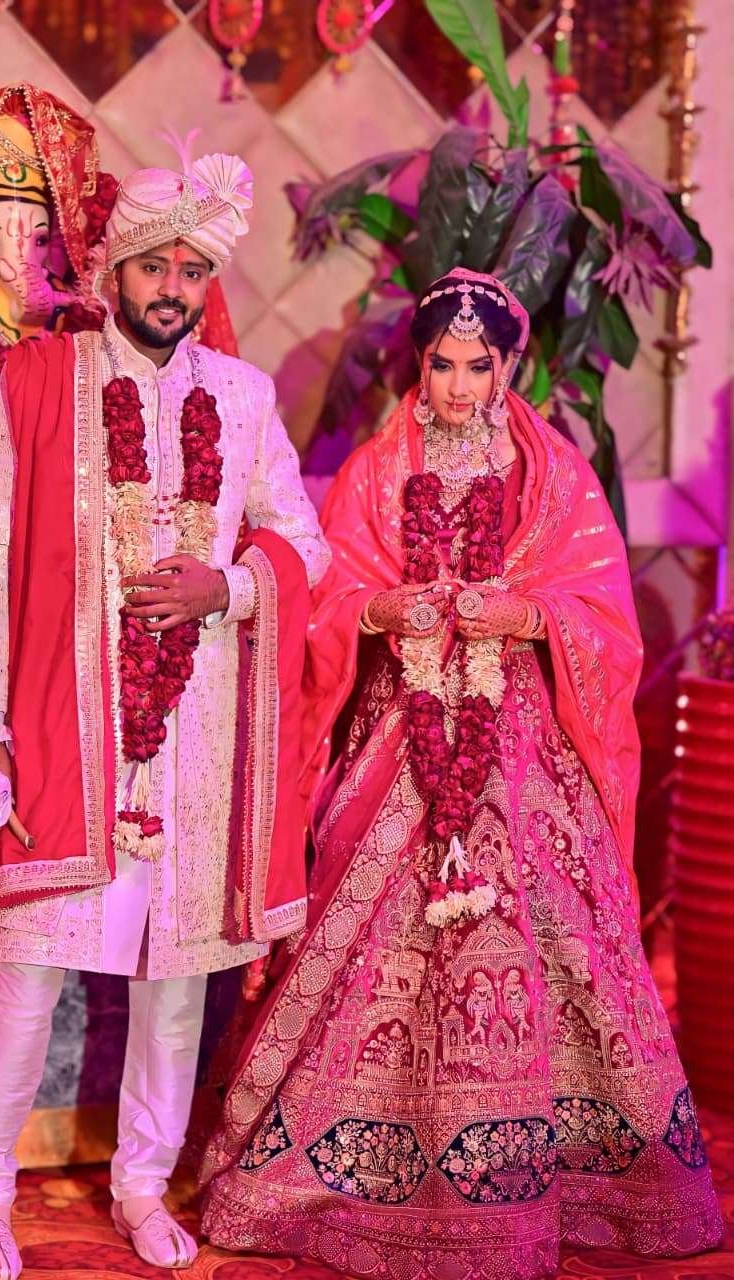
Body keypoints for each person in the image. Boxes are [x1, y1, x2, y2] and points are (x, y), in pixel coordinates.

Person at [200, 267, 723, 1279]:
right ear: (420, 363)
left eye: (477, 366)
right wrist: (380, 610)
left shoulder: (554, 474)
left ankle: (578, 1175)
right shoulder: (375, 470)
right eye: (441, 365)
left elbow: (602, 612)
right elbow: (328, 597)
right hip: (403, 722)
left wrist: (525, 615)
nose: (457, 385)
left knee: (552, 922)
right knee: (368, 916)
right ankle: (342, 1160)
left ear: (507, 367)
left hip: (521, 733)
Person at [0, 151, 330, 1279]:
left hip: (199, 735)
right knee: (29, 972)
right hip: (65, 724)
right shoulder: (40, 380)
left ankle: (141, 1184)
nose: (173, 286)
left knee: (176, 983)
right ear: (115, 270)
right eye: (155, 265)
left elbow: (303, 541)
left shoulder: (242, 396)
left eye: (193, 269)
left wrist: (232, 585)